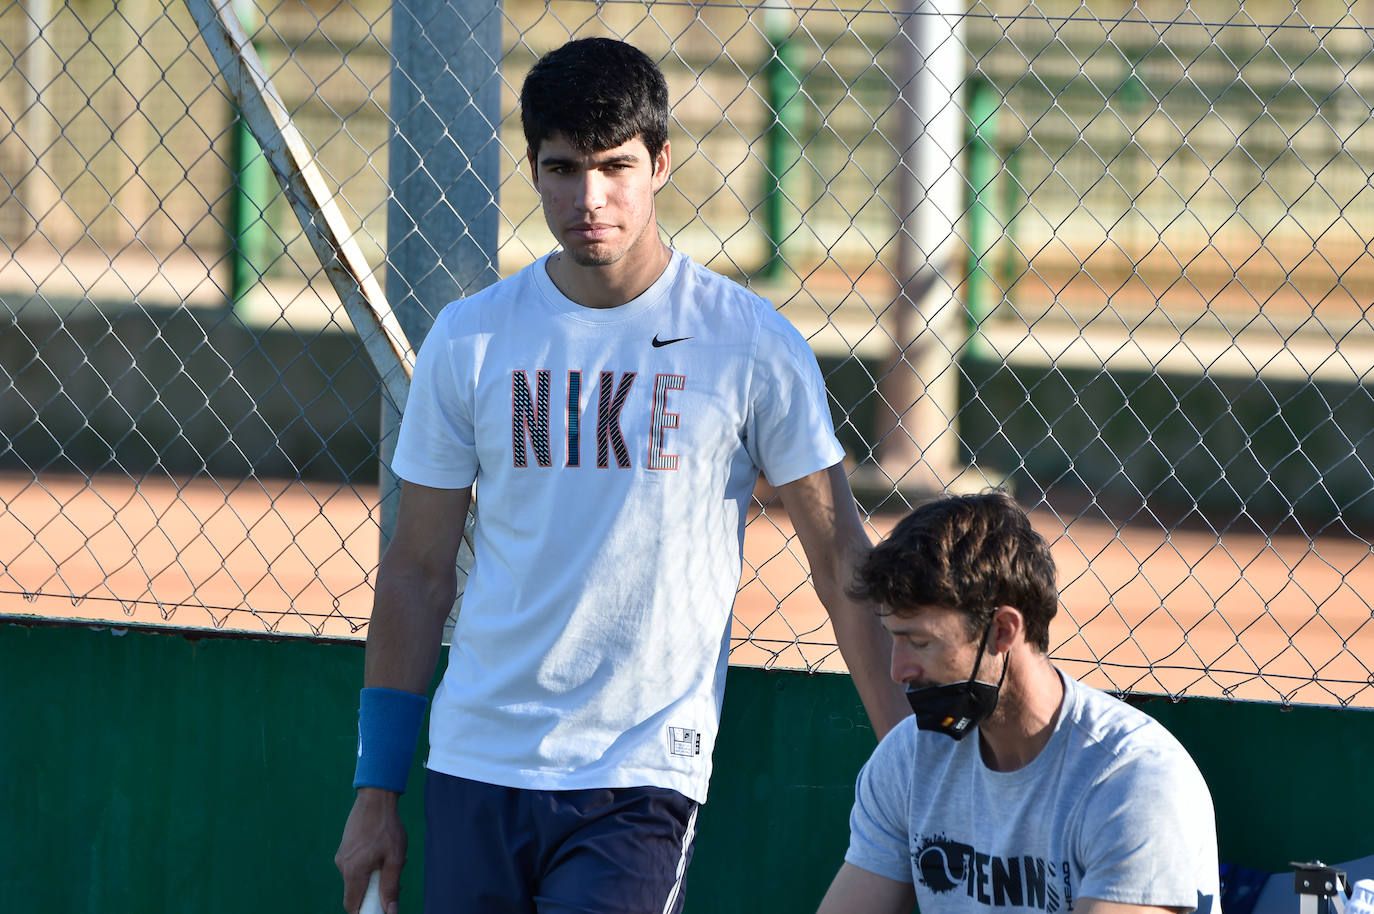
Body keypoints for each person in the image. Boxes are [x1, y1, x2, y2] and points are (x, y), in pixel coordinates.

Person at [334, 36, 910, 914]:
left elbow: (843, 568)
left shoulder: (752, 345)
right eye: (563, 169)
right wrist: (376, 792)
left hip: (640, 776)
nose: (590, 199)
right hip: (473, 761)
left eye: (615, 167)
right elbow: (415, 576)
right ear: (531, 166)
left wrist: (910, 772)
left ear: (661, 163)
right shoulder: (472, 338)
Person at [816, 491, 1221, 914]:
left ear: (1003, 631)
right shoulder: (908, 760)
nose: (898, 671)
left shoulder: (1130, 778)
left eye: (919, 642)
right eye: (894, 639)